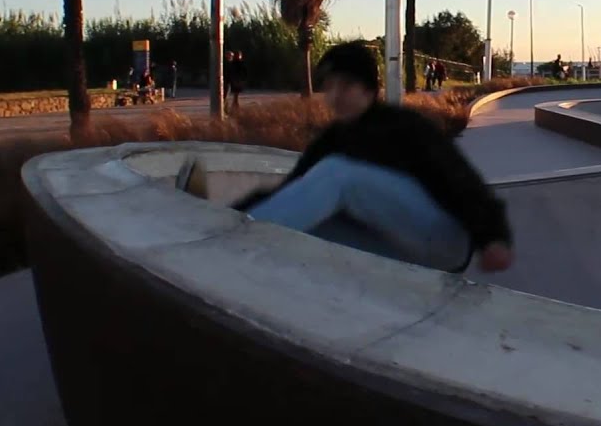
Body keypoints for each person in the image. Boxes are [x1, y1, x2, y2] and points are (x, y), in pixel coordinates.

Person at [200, 41, 514, 273]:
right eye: (330, 87)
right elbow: (291, 194)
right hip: (400, 252)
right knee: (308, 228)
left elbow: (461, 180)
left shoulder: (404, 127)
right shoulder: (332, 139)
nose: (336, 97)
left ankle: (227, 250)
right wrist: (228, 214)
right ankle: (221, 242)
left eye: (346, 86)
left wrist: (493, 237)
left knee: (339, 174)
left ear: (368, 89)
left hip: (448, 242)